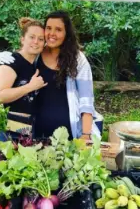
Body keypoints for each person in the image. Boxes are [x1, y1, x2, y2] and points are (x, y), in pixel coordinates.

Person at [33, 11, 101, 141]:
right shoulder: (36, 54)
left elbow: (86, 100)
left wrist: (86, 135)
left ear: (66, 33)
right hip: (37, 135)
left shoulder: (78, 60)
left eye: (58, 29)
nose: (52, 33)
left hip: (71, 137)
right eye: (48, 28)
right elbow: (17, 63)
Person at [0, 18, 48, 133]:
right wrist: (30, 87)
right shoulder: (11, 61)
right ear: (22, 39)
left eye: (41, 39)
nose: (36, 42)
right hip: (10, 127)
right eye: (32, 37)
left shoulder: (37, 65)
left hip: (29, 127)